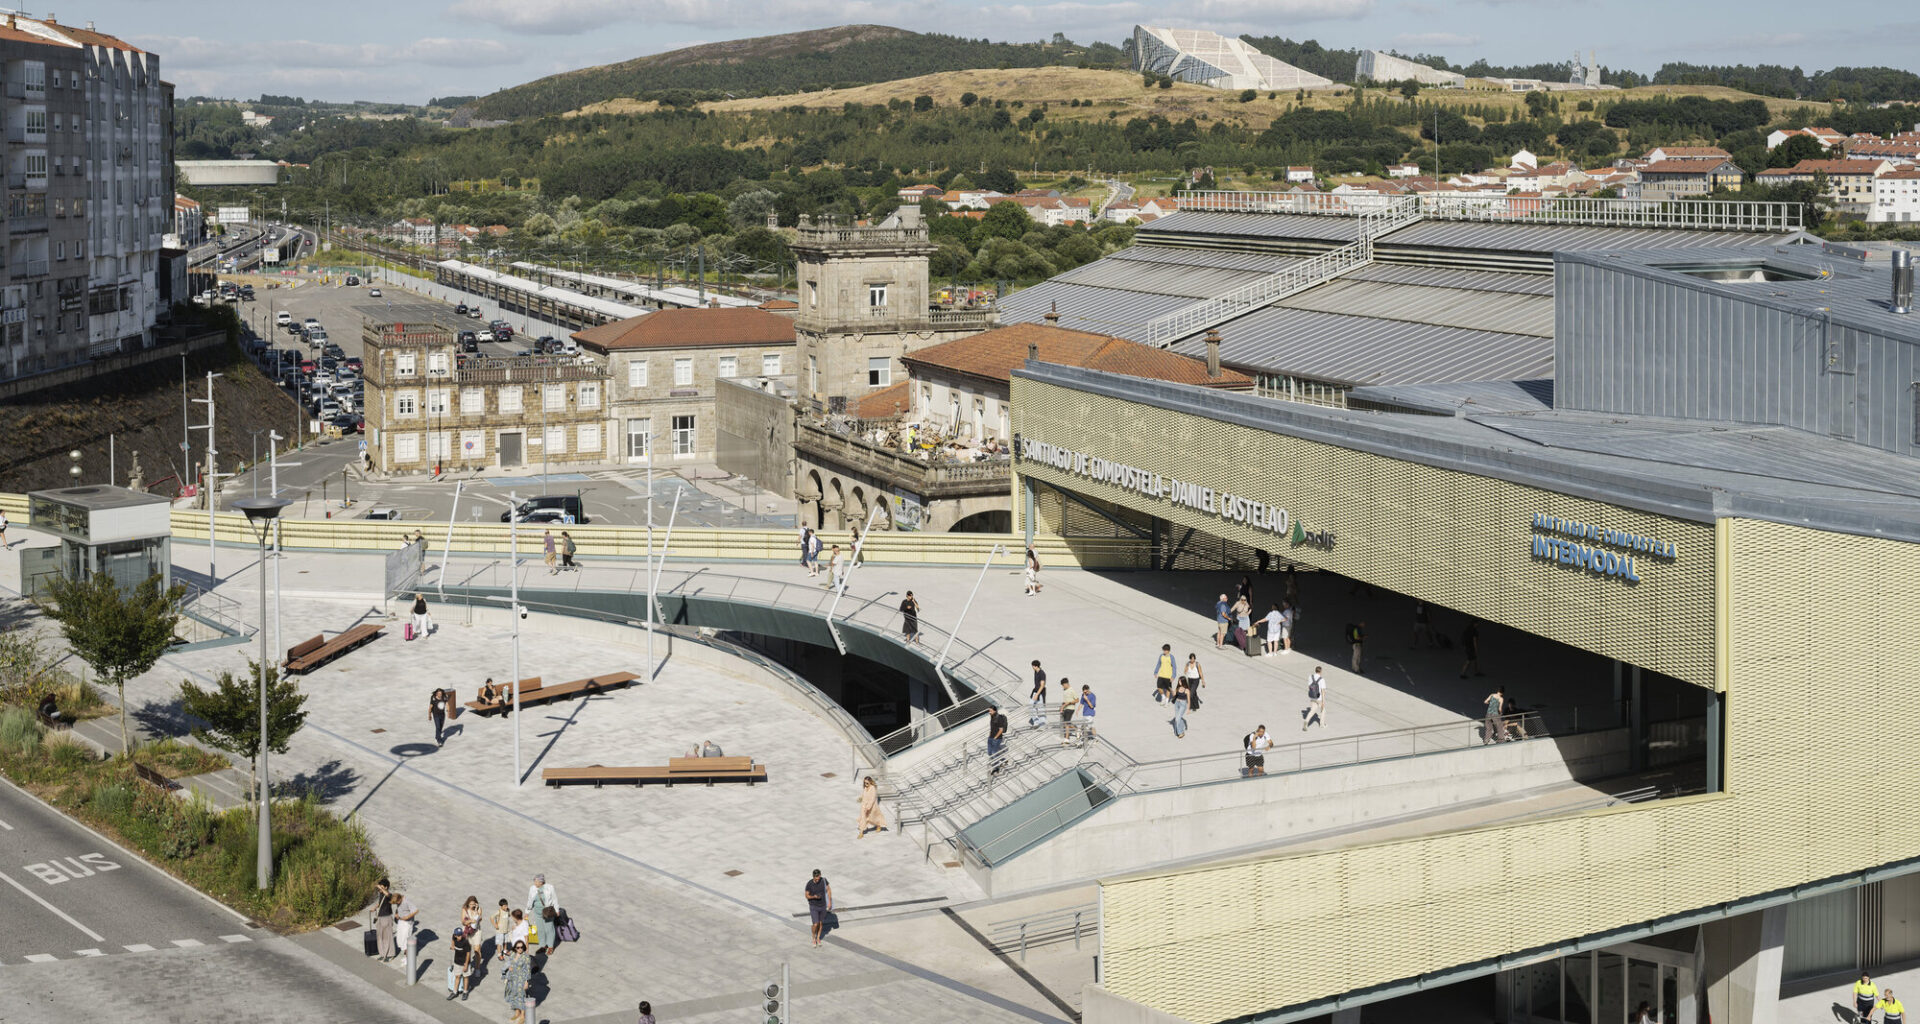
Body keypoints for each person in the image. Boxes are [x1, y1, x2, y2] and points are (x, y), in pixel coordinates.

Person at [526, 874, 557, 955]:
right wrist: (527, 912)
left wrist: (557, 910)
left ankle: (550, 947)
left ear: (541, 882)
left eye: (536, 881)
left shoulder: (550, 887)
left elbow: (554, 899)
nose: (534, 883)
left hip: (547, 912)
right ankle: (542, 946)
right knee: (540, 930)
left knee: (549, 929)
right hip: (537, 913)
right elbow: (530, 900)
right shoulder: (532, 888)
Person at [503, 940, 532, 1023]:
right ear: (515, 948)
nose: (520, 949)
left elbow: (528, 970)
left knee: (521, 997)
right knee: (514, 995)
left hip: (521, 980)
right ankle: (517, 1013)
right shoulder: (512, 954)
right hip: (512, 979)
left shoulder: (526, 957)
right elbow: (510, 963)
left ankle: (522, 1015)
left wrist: (526, 982)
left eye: (522, 947)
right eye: (518, 947)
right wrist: (509, 968)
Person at [805, 869, 832, 947]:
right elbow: (806, 895)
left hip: (823, 906)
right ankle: (813, 938)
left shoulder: (823, 880)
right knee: (815, 924)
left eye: (818, 878)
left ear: (820, 875)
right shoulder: (809, 884)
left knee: (820, 923)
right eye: (815, 879)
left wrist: (829, 902)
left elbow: (828, 890)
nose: (817, 880)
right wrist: (814, 897)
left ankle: (818, 938)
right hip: (813, 906)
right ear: (813, 877)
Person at [373, 878, 397, 961]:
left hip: (387, 917)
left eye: (382, 886)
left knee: (388, 936)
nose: (379, 888)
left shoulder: (389, 895)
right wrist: (374, 908)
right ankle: (382, 954)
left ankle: (390, 954)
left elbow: (388, 895)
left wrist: (381, 889)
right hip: (380, 917)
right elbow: (380, 903)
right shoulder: (381, 894)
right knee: (380, 936)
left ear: (386, 887)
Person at [392, 888, 419, 962]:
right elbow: (399, 908)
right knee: (400, 939)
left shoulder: (406, 901)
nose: (397, 904)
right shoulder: (398, 901)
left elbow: (416, 910)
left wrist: (407, 917)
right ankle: (406, 956)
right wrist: (397, 914)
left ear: (399, 899)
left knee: (406, 940)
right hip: (401, 921)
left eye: (397, 902)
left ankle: (409, 959)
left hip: (407, 923)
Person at [447, 926, 474, 1001]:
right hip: (457, 961)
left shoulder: (465, 942)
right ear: (455, 935)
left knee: (465, 977)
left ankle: (465, 992)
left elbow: (468, 953)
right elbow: (452, 939)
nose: (460, 937)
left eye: (461, 935)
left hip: (465, 962)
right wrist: (452, 945)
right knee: (457, 976)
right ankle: (455, 992)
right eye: (458, 935)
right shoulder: (454, 937)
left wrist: (466, 964)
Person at [490, 898, 513, 963]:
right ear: (501, 906)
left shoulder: (507, 911)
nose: (506, 907)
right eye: (505, 906)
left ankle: (505, 950)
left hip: (506, 930)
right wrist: (495, 925)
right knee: (499, 943)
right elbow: (491, 917)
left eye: (507, 905)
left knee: (505, 941)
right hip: (500, 930)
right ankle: (499, 954)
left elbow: (509, 915)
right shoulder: (499, 912)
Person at [986, 704, 1008, 773]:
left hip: (997, 738)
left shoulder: (999, 718)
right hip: (990, 738)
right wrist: (990, 735)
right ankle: (1003, 760)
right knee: (989, 752)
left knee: (993, 752)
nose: (989, 712)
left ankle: (996, 767)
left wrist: (995, 737)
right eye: (989, 711)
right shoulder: (992, 717)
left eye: (991, 711)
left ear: (995, 711)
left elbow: (1001, 730)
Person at [1058, 678, 1077, 746]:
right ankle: (1077, 730)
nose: (1063, 687)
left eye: (1063, 685)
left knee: (1066, 723)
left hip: (1070, 708)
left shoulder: (1072, 690)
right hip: (1065, 708)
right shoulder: (1065, 690)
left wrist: (1069, 703)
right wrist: (1062, 707)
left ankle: (1067, 739)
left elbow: (1077, 700)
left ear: (1066, 683)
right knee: (1066, 723)